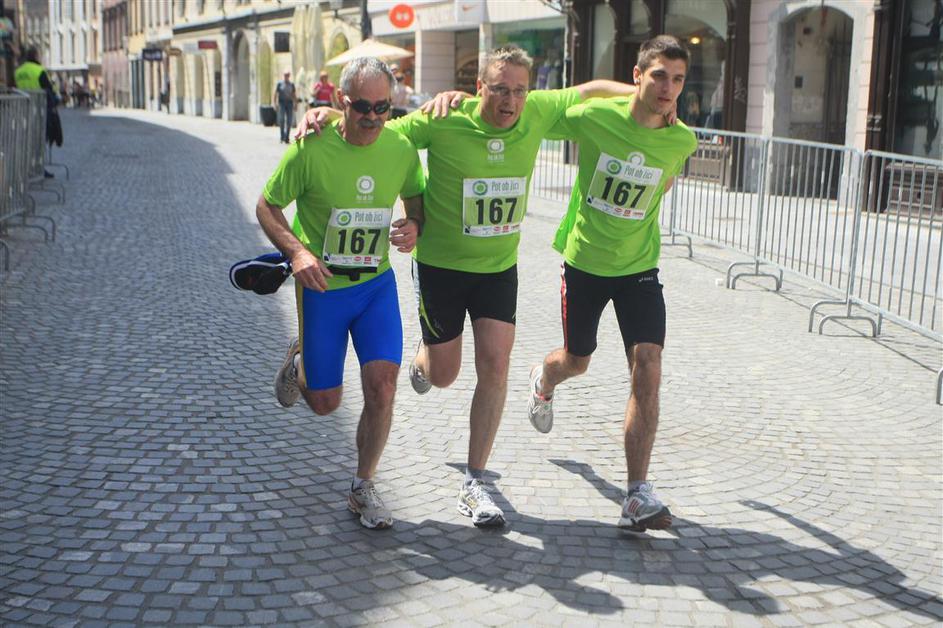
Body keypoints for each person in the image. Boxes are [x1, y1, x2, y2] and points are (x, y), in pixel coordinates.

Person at [297, 47, 646, 528]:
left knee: (496, 365)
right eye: (500, 89)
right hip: (441, 267)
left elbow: (590, 91)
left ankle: (475, 482)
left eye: (519, 90)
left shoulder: (537, 111)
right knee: (443, 375)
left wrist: (650, 98)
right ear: (480, 87)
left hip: (497, 268)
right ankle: (425, 358)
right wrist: (332, 114)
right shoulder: (446, 117)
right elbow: (379, 125)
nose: (510, 101)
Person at [526, 35, 698, 532]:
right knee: (576, 360)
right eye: (659, 75)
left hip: (639, 269)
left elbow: (663, 182)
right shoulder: (595, 118)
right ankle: (544, 380)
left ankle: (637, 493)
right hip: (585, 264)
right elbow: (534, 112)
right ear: (638, 75)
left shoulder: (682, 140)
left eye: (678, 80)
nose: (668, 88)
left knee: (648, 367)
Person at [255, 57, 425, 529]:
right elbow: (267, 206)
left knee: (383, 386)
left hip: (375, 286)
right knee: (325, 403)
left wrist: (415, 223)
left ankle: (362, 486)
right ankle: (300, 362)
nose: (373, 117)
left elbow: (416, 197)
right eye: (362, 107)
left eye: (382, 107)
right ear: (341, 102)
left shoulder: (400, 147)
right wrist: (297, 253)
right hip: (322, 288)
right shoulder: (310, 148)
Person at [14, 46, 60, 177]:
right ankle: (38, 167)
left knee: (25, 140)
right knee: (39, 141)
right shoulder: (39, 70)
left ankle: (25, 167)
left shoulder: (18, 71)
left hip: (22, 110)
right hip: (39, 111)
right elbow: (49, 90)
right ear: (35, 56)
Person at [273, 71, 297, 143]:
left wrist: (295, 104)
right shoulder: (280, 84)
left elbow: (294, 94)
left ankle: (287, 137)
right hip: (282, 103)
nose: (286, 76)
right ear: (283, 76)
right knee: (282, 119)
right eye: (285, 75)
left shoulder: (291, 84)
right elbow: (275, 94)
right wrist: (275, 103)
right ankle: (282, 137)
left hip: (289, 103)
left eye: (287, 75)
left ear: (289, 76)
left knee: (289, 121)